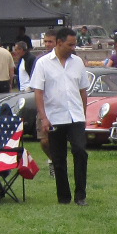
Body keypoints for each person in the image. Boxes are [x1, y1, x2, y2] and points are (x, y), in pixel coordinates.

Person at [33, 26, 93, 206]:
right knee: (58, 158)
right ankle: (64, 197)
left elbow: (83, 91)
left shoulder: (78, 63)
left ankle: (80, 195)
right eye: (70, 44)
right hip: (55, 117)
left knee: (80, 152)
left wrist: (82, 113)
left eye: (75, 44)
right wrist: (44, 117)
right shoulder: (43, 63)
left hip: (75, 117)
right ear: (59, 43)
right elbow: (38, 92)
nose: (74, 48)